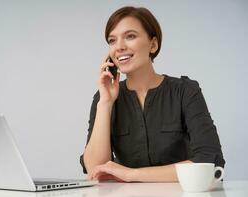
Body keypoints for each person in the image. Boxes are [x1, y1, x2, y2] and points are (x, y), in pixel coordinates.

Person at [80, 6, 225, 182]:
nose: (119, 47)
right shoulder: (104, 97)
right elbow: (96, 170)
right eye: (112, 40)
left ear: (153, 44)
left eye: (130, 36)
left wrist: (131, 174)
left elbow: (210, 160)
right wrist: (105, 103)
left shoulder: (185, 91)